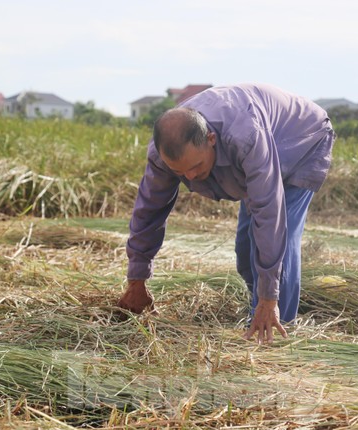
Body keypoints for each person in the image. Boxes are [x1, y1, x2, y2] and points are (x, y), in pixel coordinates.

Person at [117, 83, 335, 344]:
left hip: (300, 141)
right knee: (246, 253)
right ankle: (258, 312)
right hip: (256, 151)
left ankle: (275, 331)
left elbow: (269, 216)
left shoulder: (246, 137)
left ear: (211, 139)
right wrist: (136, 280)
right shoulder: (163, 155)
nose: (190, 177)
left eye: (196, 166)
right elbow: (149, 211)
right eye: (180, 172)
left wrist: (269, 297)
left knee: (278, 241)